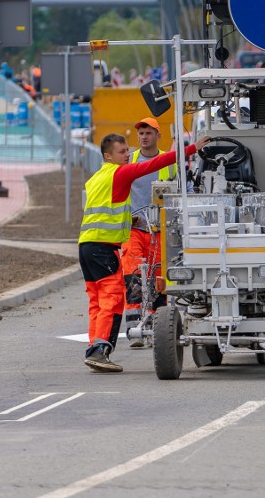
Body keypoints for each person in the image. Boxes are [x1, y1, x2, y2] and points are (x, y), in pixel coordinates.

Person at [79, 131, 208, 372]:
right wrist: (191, 149)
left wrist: (131, 220)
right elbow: (155, 163)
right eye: (122, 152)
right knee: (112, 298)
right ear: (108, 156)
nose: (128, 155)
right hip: (103, 249)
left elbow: (104, 210)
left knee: (96, 301)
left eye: (128, 150)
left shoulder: (95, 178)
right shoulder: (120, 172)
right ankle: (100, 350)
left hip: (86, 246)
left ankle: (93, 347)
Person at [121, 117, 174, 348]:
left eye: (148, 132)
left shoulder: (168, 162)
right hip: (135, 228)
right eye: (141, 132)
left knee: (159, 279)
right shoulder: (129, 160)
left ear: (158, 135)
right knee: (133, 275)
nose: (144, 136)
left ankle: (157, 326)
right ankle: (134, 329)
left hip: (160, 230)